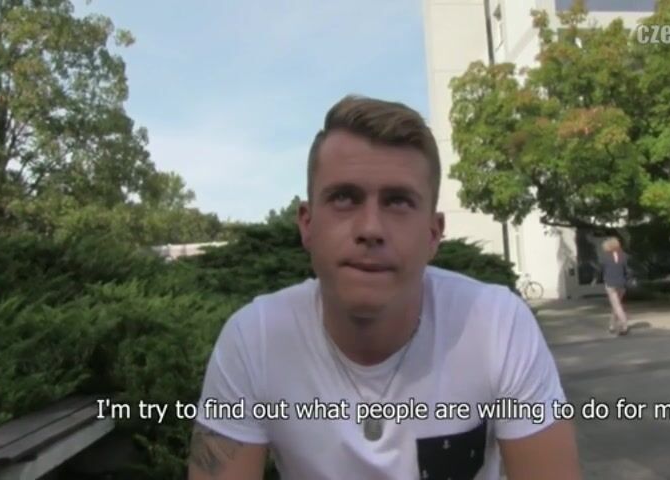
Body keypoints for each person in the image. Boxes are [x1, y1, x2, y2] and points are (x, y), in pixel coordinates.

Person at [188, 95, 582, 480]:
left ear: (433, 233)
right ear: (307, 224)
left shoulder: (498, 326)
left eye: (398, 202)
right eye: (344, 198)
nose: (371, 228)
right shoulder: (252, 340)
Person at [601, 237, 630, 336]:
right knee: (616, 305)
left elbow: (602, 270)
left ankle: (624, 325)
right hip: (621, 284)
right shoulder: (624, 256)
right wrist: (626, 279)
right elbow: (627, 270)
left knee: (616, 305)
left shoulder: (605, 257)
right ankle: (612, 325)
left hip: (610, 284)